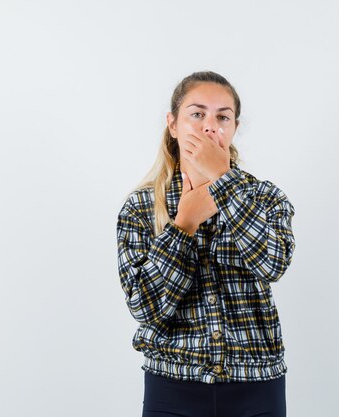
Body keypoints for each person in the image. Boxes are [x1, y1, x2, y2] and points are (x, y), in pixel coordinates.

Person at [116, 71, 296, 417]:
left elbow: (274, 264)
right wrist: (184, 223)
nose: (210, 127)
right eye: (197, 114)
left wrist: (224, 182)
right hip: (172, 388)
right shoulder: (140, 207)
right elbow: (145, 309)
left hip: (256, 386)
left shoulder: (265, 198)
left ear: (234, 127)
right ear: (173, 124)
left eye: (222, 116)